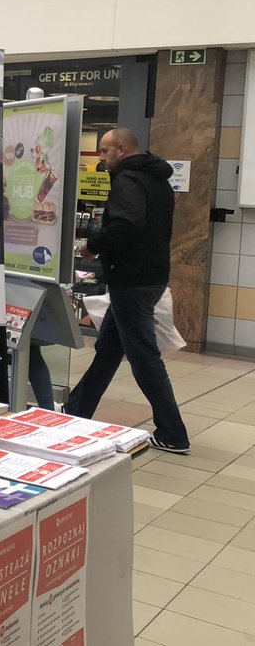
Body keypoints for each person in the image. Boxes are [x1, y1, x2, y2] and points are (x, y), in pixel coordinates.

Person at [65, 128, 190, 454]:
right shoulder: (158, 179)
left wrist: (93, 245)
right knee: (108, 351)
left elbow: (126, 224)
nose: (101, 158)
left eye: (104, 151)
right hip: (150, 276)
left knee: (144, 357)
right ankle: (76, 410)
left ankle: (173, 433)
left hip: (132, 281)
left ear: (122, 149)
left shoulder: (127, 180)